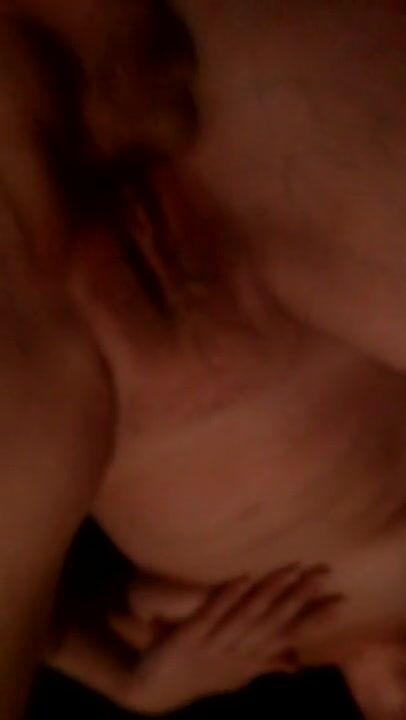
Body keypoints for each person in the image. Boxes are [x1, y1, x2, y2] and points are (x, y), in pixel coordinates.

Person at [2, 1, 406, 718]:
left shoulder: (259, 644)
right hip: (266, 238)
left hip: (81, 354)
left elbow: (38, 619)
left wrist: (132, 685)